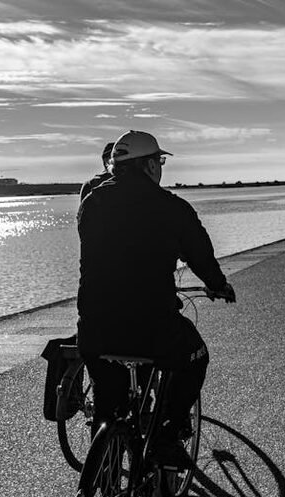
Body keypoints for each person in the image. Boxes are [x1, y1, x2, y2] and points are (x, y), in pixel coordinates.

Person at [76, 130, 236, 468]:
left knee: (109, 402)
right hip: (152, 327)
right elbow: (200, 255)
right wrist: (218, 284)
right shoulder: (171, 208)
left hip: (94, 327)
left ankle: (97, 488)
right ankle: (166, 433)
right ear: (149, 166)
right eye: (159, 162)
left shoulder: (91, 203)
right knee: (195, 358)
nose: (161, 168)